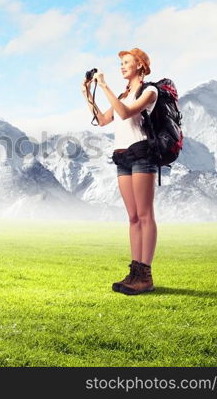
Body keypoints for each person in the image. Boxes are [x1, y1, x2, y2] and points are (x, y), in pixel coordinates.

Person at [80, 47, 159, 295]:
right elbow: (104, 120)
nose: (122, 66)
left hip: (142, 154)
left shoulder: (149, 91)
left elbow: (124, 114)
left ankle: (145, 274)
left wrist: (103, 86)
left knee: (145, 215)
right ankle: (135, 271)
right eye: (121, 63)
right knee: (133, 217)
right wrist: (88, 95)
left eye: (127, 62)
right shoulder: (124, 94)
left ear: (140, 66)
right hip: (123, 157)